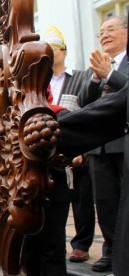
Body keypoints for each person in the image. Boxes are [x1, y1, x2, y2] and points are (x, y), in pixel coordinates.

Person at [77, 15, 128, 273]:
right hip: (100, 147)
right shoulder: (95, 67)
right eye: (100, 32)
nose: (104, 35)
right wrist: (97, 79)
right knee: (106, 202)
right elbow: (86, 102)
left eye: (110, 29)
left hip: (124, 143)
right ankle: (111, 249)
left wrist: (110, 73)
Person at [44, 26, 95, 263]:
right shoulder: (39, 81)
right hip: (50, 150)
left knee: (82, 197)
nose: (51, 54)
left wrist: (82, 151)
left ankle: (82, 244)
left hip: (75, 147)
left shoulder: (80, 78)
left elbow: (88, 110)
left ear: (64, 52)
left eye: (55, 49)